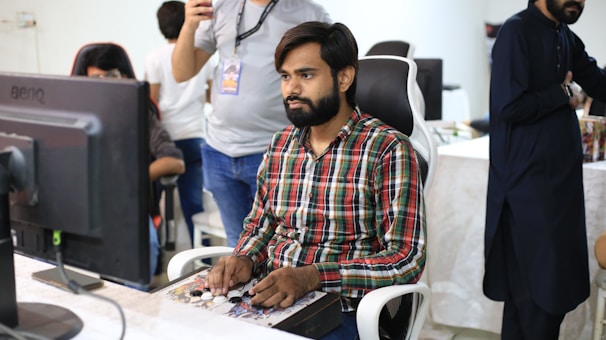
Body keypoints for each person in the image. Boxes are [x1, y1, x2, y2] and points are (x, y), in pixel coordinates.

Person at [204, 22, 427, 339]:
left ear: (344, 78)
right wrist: (244, 257)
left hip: (337, 311)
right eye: (285, 76)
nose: (291, 89)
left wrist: (312, 277)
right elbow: (260, 226)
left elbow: (406, 259)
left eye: (305, 75)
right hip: (267, 301)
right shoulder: (280, 144)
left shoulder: (387, 150)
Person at [483, 0, 606, 338]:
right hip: (528, 191)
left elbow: (597, 82)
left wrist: (570, 93)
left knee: (547, 299)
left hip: (559, 188)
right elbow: (508, 106)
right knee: (535, 300)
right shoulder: (516, 32)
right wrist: (561, 94)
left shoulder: (564, 36)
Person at [172, 0, 331, 247]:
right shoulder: (222, 8)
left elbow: (325, 81)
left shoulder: (308, 12)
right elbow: (182, 72)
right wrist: (189, 26)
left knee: (283, 247)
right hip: (220, 150)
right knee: (240, 247)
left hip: (276, 153)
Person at [73, 43, 186, 288]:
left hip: (125, 207)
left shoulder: (138, 112)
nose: (105, 84)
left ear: (125, 76)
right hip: (82, 205)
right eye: (96, 78)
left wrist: (129, 180)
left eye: (111, 76)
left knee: (136, 254)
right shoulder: (72, 115)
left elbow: (174, 161)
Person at [144, 1, 216, 246]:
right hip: (196, 136)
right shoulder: (200, 53)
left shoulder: (154, 58)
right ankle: (205, 254)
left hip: (165, 141)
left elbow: (151, 102)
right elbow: (211, 95)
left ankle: (164, 247)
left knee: (158, 201)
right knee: (194, 204)